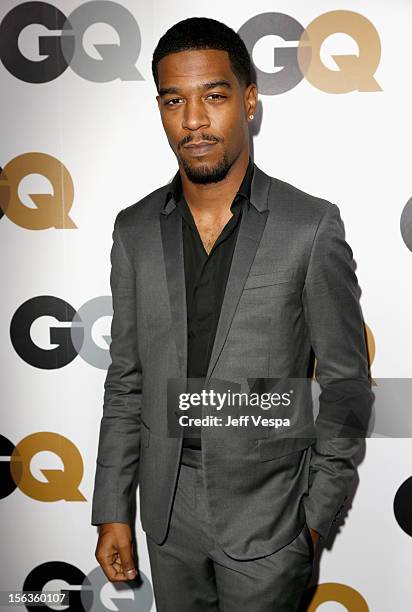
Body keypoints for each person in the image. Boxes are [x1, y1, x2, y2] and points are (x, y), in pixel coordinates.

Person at [92, 17, 373, 612]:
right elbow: (126, 382)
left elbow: (346, 385)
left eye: (213, 96)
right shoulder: (134, 230)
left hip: (272, 518)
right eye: (174, 101)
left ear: (248, 102)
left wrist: (314, 520)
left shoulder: (310, 226)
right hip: (166, 514)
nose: (193, 120)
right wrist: (114, 509)